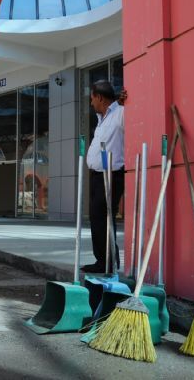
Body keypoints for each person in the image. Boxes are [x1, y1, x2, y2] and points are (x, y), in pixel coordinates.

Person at [82, 80, 127, 273]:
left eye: (92, 99)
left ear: (100, 98)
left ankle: (108, 262)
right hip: (97, 176)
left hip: (111, 175)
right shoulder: (103, 119)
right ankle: (103, 260)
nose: (91, 103)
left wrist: (124, 103)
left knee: (103, 217)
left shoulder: (120, 114)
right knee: (96, 217)